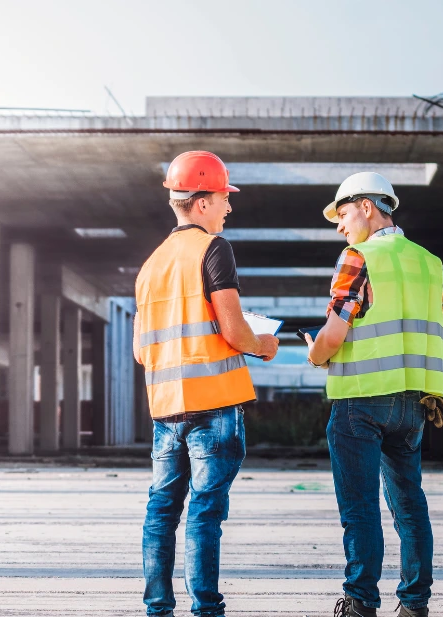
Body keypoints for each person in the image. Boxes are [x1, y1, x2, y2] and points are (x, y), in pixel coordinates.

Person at [303, 172, 443, 617]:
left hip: (361, 401)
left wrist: (316, 356)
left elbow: (335, 332)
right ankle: (415, 604)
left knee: (360, 507)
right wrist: (417, 357)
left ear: (366, 206)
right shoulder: (429, 261)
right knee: (409, 504)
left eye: (342, 214)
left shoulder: (357, 257)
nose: (340, 226)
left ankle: (360, 602)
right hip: (412, 404)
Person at [134, 150, 279, 617]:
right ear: (200, 203)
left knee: (161, 513)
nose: (228, 208)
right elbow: (235, 332)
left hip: (165, 411)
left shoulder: (151, 265)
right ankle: (206, 609)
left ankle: (158, 608)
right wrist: (263, 345)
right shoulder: (214, 250)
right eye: (222, 198)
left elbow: (141, 350)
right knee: (205, 514)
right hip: (214, 407)